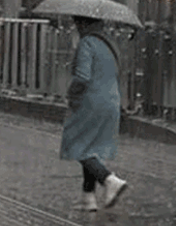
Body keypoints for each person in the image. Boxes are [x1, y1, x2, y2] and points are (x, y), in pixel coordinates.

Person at [60, 15, 128, 212]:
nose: (76, 28)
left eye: (77, 24)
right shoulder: (109, 44)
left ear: (84, 24)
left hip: (90, 101)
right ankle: (88, 198)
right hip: (111, 101)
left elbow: (82, 77)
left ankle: (109, 180)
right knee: (92, 148)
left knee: (75, 143)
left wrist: (71, 94)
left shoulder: (87, 43)